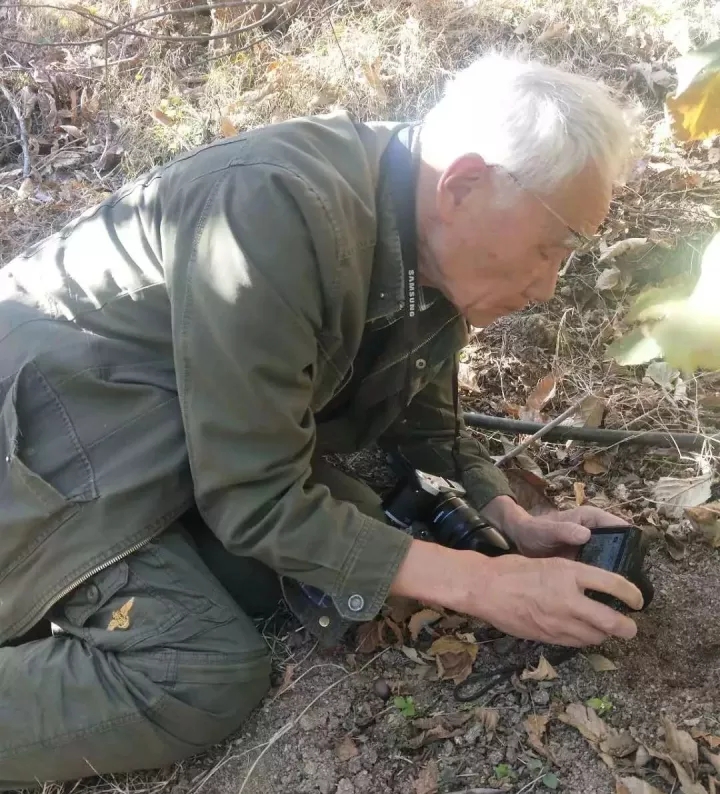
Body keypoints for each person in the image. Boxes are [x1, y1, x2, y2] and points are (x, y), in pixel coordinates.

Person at [0, 53, 644, 786]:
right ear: (464, 185)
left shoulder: (427, 231)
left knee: (352, 544)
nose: (548, 285)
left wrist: (503, 513)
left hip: (151, 431)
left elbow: (426, 424)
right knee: (200, 676)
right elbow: (255, 497)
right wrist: (479, 584)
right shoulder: (271, 205)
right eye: (550, 247)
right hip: (43, 441)